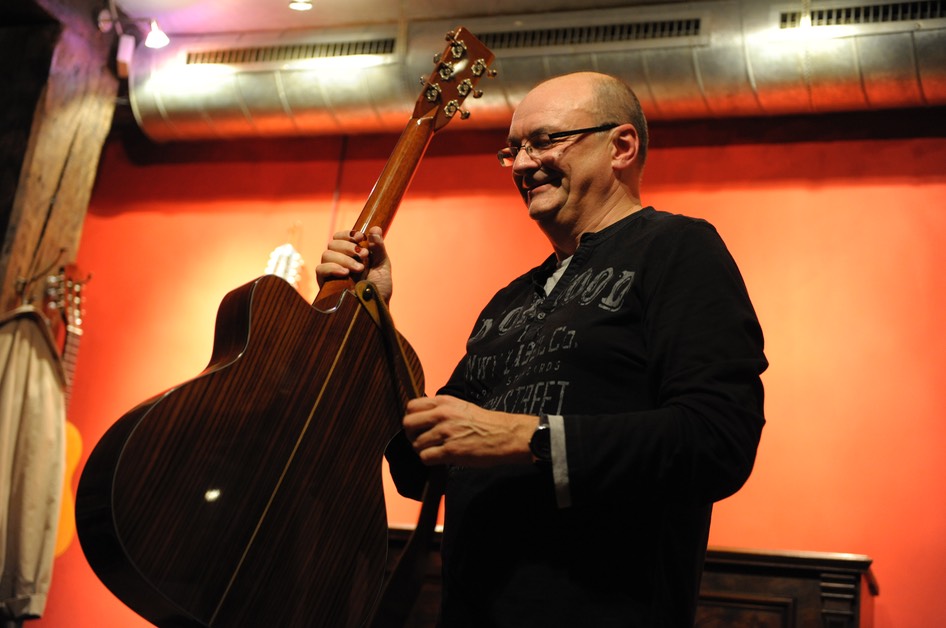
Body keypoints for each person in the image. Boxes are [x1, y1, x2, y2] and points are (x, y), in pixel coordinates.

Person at [316, 71, 767, 628]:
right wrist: (371, 318)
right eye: (511, 151)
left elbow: (718, 439)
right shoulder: (509, 301)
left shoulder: (678, 248)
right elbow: (421, 466)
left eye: (544, 140)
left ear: (621, 146)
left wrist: (526, 438)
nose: (524, 165)